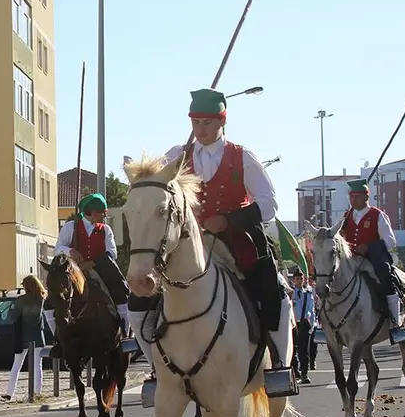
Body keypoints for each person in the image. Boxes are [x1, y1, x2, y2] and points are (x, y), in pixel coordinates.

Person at [161, 88, 293, 376]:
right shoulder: (175, 156)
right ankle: (155, 362)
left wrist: (229, 220)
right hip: (187, 241)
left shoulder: (242, 157)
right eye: (195, 123)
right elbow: (157, 191)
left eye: (207, 123)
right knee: (144, 291)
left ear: (222, 121)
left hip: (237, 240)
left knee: (273, 290)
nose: (200, 129)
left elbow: (269, 204)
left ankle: (279, 364)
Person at [51, 192, 131, 338]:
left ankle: (124, 332)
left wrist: (93, 263)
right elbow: (57, 250)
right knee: (52, 300)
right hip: (73, 271)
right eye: (103, 213)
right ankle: (56, 338)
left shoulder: (106, 230)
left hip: (99, 269)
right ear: (93, 213)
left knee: (121, 290)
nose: (104, 216)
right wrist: (71, 250)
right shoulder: (70, 227)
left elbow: (112, 253)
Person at [339, 178, 405, 335]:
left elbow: (390, 241)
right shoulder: (346, 216)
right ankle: (326, 321)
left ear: (366, 197)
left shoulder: (378, 215)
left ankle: (395, 321)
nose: (353, 200)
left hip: (372, 259)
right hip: (351, 259)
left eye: (356, 196)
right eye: (351, 196)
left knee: (385, 275)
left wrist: (369, 248)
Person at [5, 275, 51, 400]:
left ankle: (10, 392)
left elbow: (13, 317)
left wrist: (14, 313)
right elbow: (36, 318)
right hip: (37, 335)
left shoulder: (21, 300)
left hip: (23, 335)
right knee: (37, 365)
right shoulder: (41, 298)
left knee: (17, 365)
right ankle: (37, 392)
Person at [290, 269, 317, 384]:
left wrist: (311, 324)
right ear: (293, 280)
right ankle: (295, 372)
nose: (300, 281)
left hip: (304, 322)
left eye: (301, 278)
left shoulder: (308, 293)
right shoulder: (291, 293)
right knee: (292, 349)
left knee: (304, 350)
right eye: (297, 279)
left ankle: (304, 374)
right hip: (293, 323)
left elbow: (311, 309)